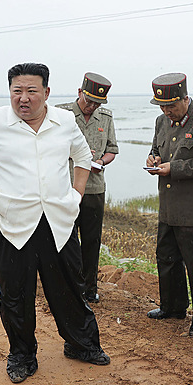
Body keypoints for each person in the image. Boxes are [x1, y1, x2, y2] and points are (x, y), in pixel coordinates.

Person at [0, 63, 110, 384]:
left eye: (31, 92)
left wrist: (76, 194)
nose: (23, 99)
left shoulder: (64, 121)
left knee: (69, 287)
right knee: (15, 294)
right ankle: (22, 354)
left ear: (47, 93)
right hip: (13, 224)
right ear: (10, 92)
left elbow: (83, 156)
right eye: (17, 91)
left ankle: (82, 344)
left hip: (58, 221)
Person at [145, 73, 193, 337]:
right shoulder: (161, 121)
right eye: (163, 107)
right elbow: (156, 149)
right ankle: (173, 306)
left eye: (172, 106)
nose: (168, 111)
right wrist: (153, 159)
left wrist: (171, 168)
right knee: (166, 258)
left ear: (186, 99)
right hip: (168, 206)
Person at [55, 72, 119, 304]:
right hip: (65, 187)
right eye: (88, 100)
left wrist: (101, 161)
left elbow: (112, 149)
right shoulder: (61, 114)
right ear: (79, 92)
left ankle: (89, 289)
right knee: (64, 239)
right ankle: (65, 285)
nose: (92, 106)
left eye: (97, 103)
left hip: (94, 189)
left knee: (91, 242)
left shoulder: (105, 117)